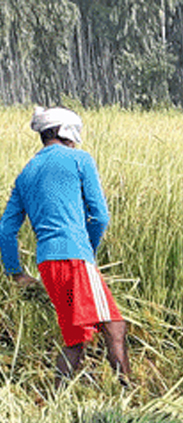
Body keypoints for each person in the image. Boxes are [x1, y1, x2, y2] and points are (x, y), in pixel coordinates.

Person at [0, 106, 129, 380]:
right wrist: (88, 254)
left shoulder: (26, 173)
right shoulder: (79, 159)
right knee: (114, 328)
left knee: (76, 338)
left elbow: (5, 229)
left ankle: (56, 405)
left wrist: (15, 272)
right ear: (64, 132)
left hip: (47, 263)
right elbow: (100, 216)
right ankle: (130, 397)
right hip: (75, 257)